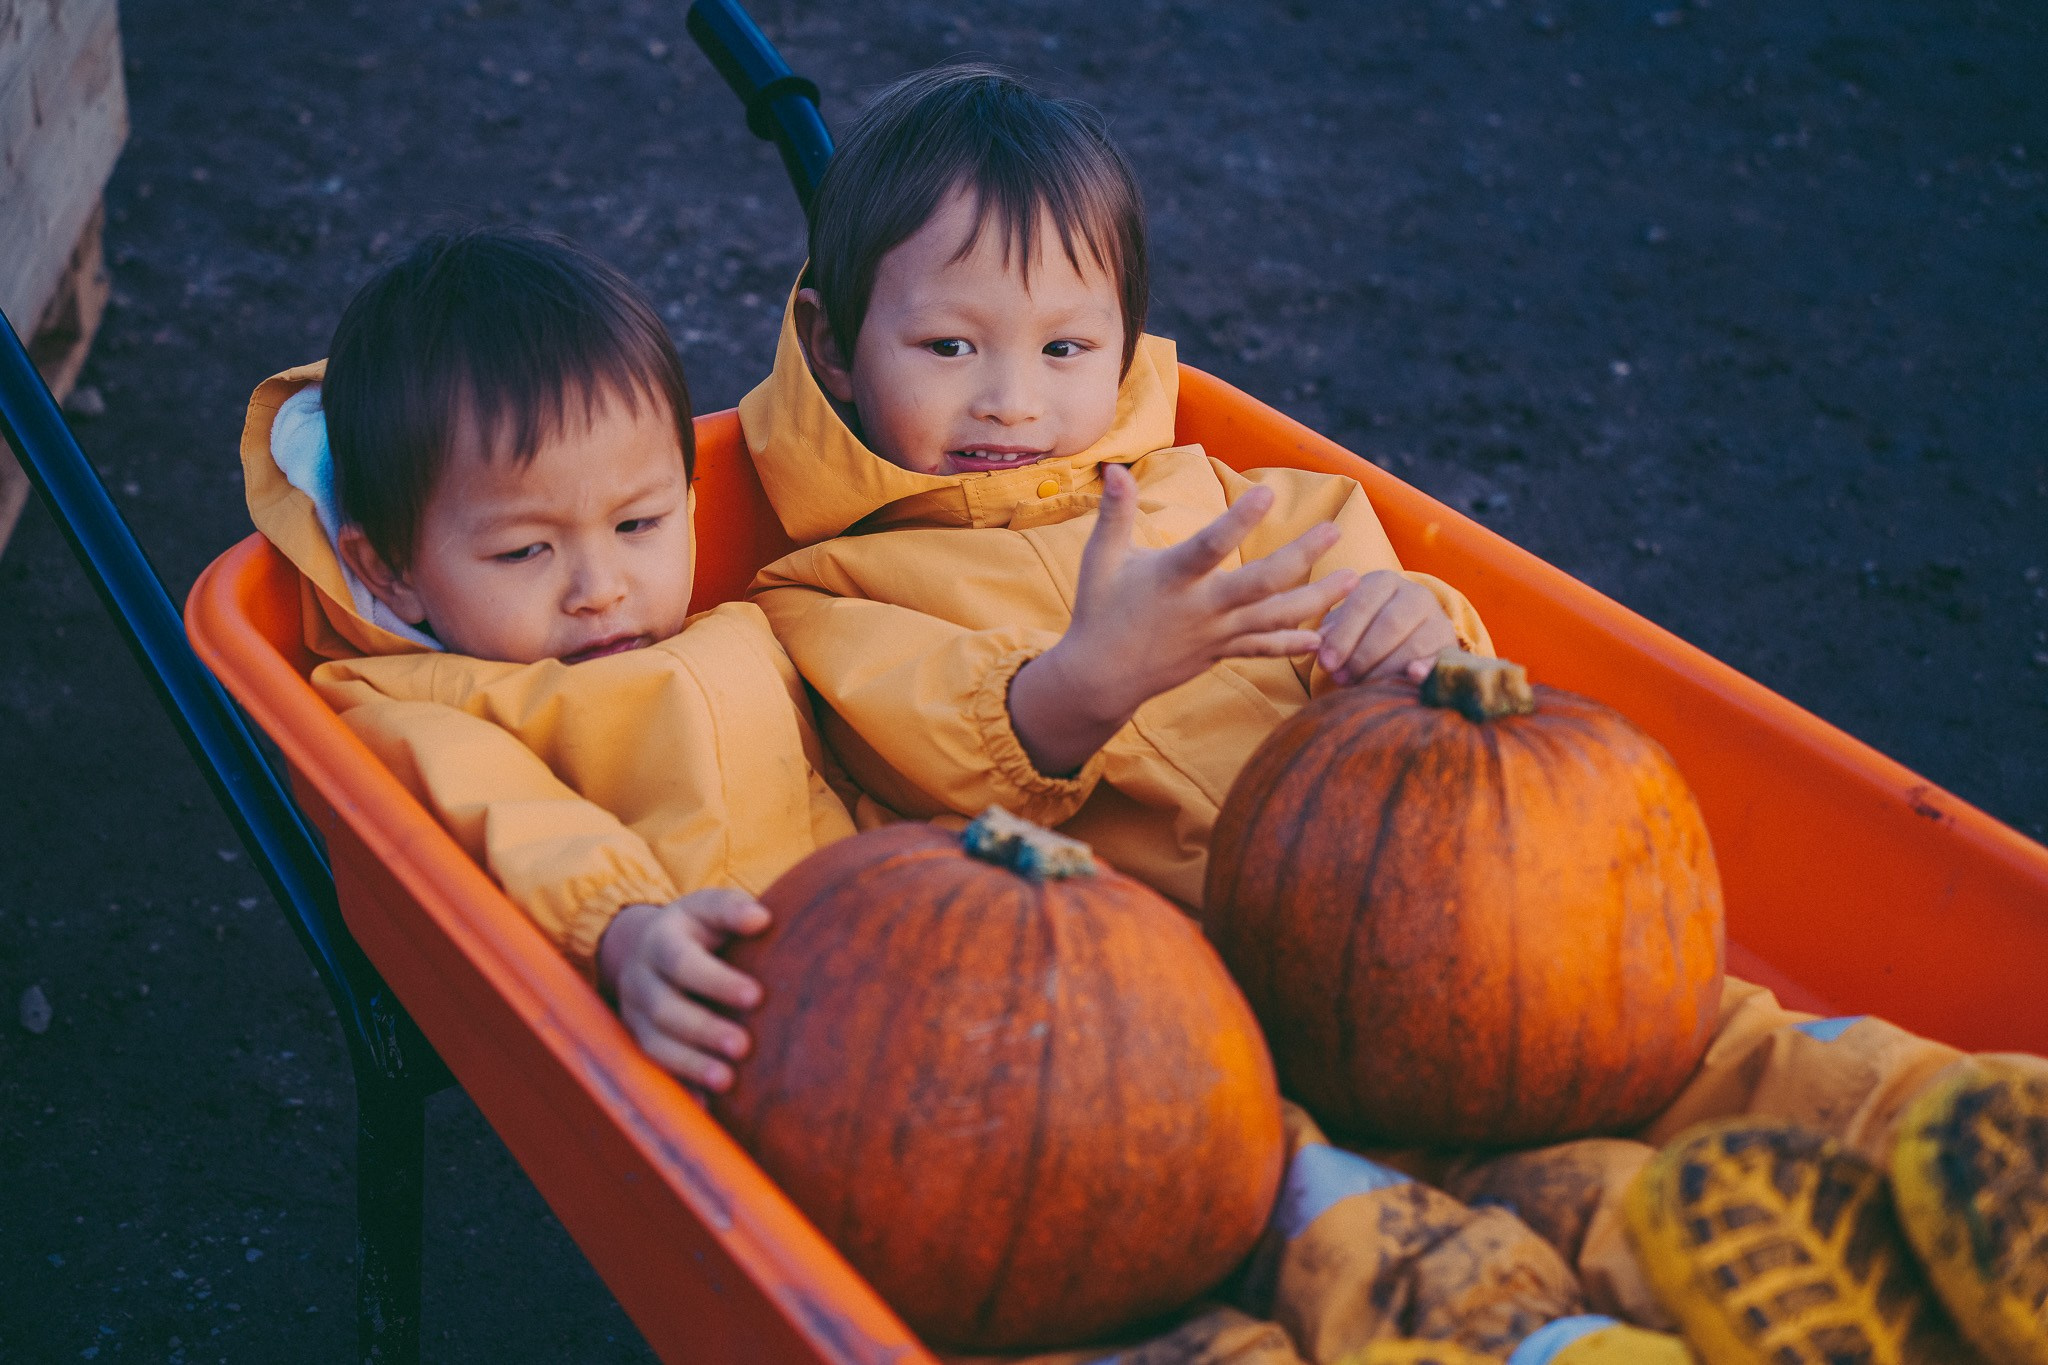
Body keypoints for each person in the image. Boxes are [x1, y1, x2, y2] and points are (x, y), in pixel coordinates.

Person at [738, 65, 2047, 1365]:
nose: (1012, 399)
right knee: (1336, 1213)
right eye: (949, 345)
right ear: (836, 350)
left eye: (1064, 347)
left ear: (1126, 346)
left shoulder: (1245, 500)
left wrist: (1418, 642)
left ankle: (1970, 1140)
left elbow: (1432, 681)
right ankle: (1553, 1338)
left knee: (1685, 1032)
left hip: (1420, 925)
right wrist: (1085, 683)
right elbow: (935, 761)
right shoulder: (836, 590)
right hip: (1178, 1024)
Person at [238, 228, 855, 1093]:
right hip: (714, 1033)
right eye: (525, 551)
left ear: (686, 498)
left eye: (639, 524)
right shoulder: (418, 712)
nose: (599, 588)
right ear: (391, 568)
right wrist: (623, 927)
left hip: (874, 949)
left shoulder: (740, 618)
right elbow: (518, 824)